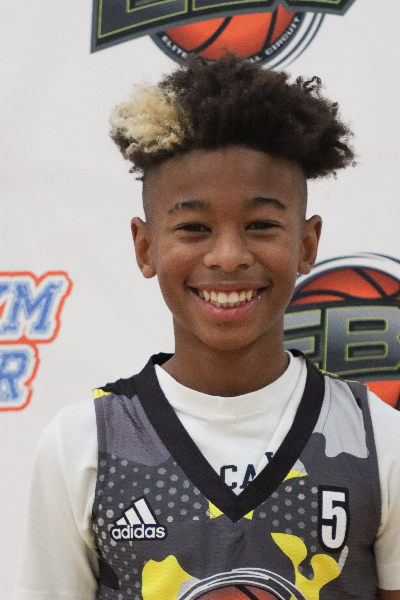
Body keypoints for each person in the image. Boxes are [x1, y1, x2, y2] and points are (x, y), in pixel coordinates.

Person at [12, 53, 400, 600]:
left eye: (261, 225)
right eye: (194, 227)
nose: (228, 255)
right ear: (145, 247)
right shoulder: (83, 446)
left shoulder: (378, 440)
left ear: (307, 244)